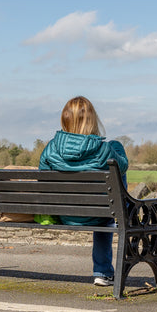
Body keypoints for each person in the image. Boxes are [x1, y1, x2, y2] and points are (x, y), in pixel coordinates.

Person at [38, 96, 128, 287]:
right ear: (92, 120)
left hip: (63, 213)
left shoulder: (50, 149)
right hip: (99, 214)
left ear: (65, 120)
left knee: (105, 207)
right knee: (109, 206)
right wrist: (116, 148)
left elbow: (42, 181)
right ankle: (102, 272)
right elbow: (124, 166)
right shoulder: (105, 149)